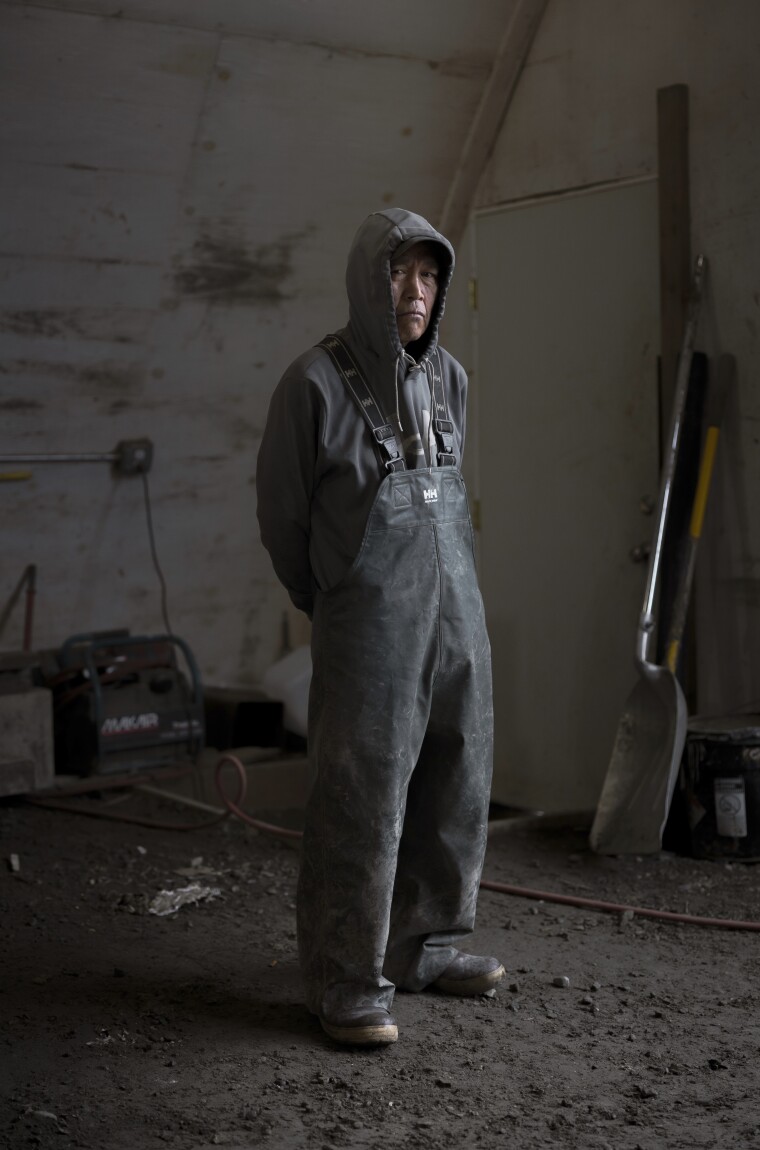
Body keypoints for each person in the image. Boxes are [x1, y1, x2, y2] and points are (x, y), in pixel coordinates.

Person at [256, 207, 502, 1046]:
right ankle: (344, 978)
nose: (416, 290)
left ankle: (424, 946)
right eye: (401, 271)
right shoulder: (313, 385)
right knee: (360, 796)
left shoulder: (453, 381)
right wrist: (332, 599)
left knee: (456, 777)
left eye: (430, 275)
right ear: (370, 280)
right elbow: (283, 520)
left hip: (454, 616)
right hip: (368, 624)